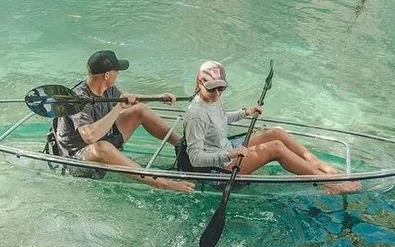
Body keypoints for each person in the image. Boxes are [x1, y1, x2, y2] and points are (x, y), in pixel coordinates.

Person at [177, 60, 361, 194]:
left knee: (276, 133)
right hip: (217, 168)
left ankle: (319, 164)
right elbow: (195, 159)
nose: (217, 93)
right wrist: (229, 154)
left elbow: (219, 119)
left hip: (226, 149)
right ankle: (325, 181)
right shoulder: (195, 115)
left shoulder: (212, 97)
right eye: (212, 89)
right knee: (275, 148)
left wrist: (245, 112)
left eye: (221, 88)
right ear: (200, 82)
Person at [53, 50, 194, 193]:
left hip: (103, 140)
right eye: (117, 71)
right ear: (107, 75)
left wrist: (158, 97)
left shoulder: (107, 88)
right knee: (102, 147)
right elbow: (90, 137)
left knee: (139, 110)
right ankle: (162, 183)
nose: (118, 74)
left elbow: (126, 99)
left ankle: (184, 147)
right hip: (77, 160)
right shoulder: (78, 99)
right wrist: (118, 108)